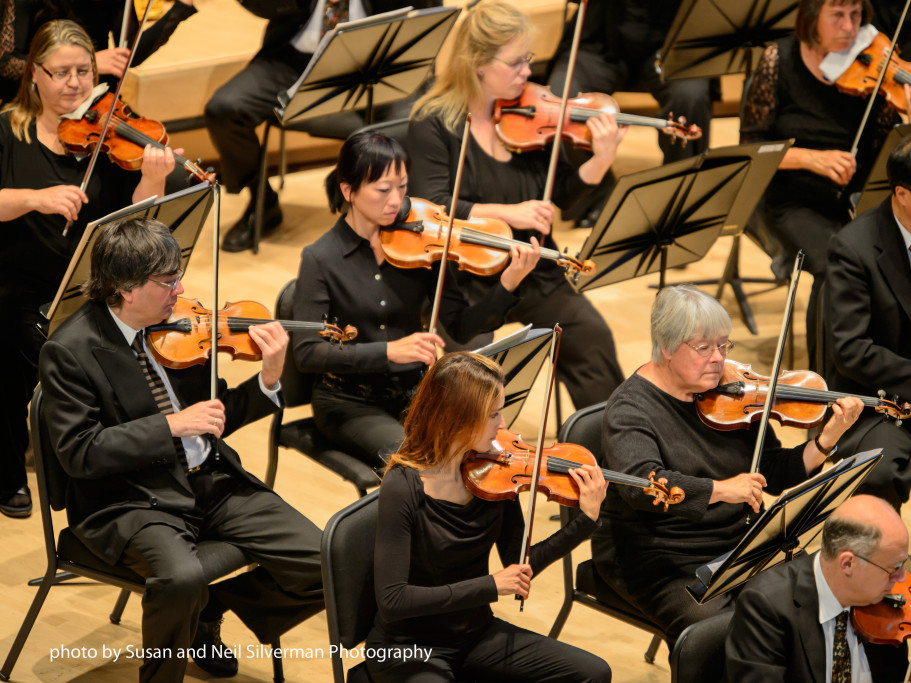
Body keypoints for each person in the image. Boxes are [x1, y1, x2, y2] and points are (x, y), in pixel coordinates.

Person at [38, 217, 325, 681]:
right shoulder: (70, 350)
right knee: (181, 578)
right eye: (169, 280)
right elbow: (80, 452)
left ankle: (209, 612)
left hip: (209, 480)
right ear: (126, 288)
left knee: (325, 558)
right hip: (128, 499)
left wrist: (269, 378)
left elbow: (216, 415)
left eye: (179, 275)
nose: (181, 288)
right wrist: (169, 425)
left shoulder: (181, 325)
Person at [591, 284, 863, 647]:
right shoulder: (631, 408)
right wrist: (722, 489)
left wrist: (826, 439)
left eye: (723, 345)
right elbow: (642, 485)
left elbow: (774, 471)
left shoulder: (733, 392)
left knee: (817, 602)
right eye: (704, 348)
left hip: (740, 544)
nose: (718, 359)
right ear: (667, 347)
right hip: (661, 560)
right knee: (726, 636)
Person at [407, 0, 626, 413]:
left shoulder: (532, 113)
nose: (528, 72)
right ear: (478, 64)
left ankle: (611, 458)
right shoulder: (434, 123)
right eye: (515, 63)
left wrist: (599, 160)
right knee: (471, 381)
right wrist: (508, 214)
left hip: (534, 272)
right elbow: (432, 208)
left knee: (592, 339)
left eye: (528, 59)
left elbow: (562, 195)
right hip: (466, 281)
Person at [0, 19, 178, 518]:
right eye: (61, 72)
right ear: (34, 74)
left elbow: (137, 221)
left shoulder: (108, 134)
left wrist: (153, 181)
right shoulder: (6, 130)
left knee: (134, 352)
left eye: (84, 69)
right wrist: (35, 198)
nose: (76, 82)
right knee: (17, 346)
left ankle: (126, 468)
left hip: (94, 290)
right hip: (17, 287)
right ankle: (10, 469)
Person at [292, 130, 539, 469]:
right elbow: (307, 353)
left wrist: (507, 284)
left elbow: (460, 327)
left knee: (481, 451)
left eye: (403, 187)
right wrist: (389, 351)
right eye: (383, 190)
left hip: (416, 395)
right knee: (418, 464)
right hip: (350, 403)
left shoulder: (422, 244)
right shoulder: (320, 258)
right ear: (348, 190)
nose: (396, 200)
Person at [367, 351, 612, 682]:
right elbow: (393, 600)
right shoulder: (403, 485)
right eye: (493, 414)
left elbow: (519, 561)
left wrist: (586, 520)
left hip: (475, 635)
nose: (504, 425)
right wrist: (491, 585)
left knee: (593, 674)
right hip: (408, 647)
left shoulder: (493, 474)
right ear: (457, 417)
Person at [205, 0, 441, 253]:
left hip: (381, 61)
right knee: (225, 108)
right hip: (293, 61)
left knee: (410, 122)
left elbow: (430, 10)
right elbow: (263, 6)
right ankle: (262, 201)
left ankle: (393, 218)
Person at [740, 0, 900, 369]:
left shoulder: (872, 62)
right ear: (813, 16)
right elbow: (750, 149)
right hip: (792, 198)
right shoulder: (777, 59)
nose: (849, 26)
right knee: (837, 265)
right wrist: (813, 158)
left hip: (857, 199)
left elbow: (884, 141)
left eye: (856, 15)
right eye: (837, 15)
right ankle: (825, 388)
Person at [547, 0, 712, 226]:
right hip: (601, 38)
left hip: (670, 41)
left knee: (690, 96)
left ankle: (678, 204)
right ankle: (597, 196)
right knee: (561, 100)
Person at [725, 494, 909, 682]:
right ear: (847, 564)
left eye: (904, 562)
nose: (902, 577)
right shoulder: (765, 608)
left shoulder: (884, 604)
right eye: (894, 568)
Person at [824, 135, 911, 511]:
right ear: (903, 194)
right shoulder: (853, 248)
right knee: (877, 474)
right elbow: (851, 350)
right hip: (879, 400)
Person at [0, 0, 197, 100]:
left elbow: (128, 55)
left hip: (92, 98)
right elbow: (6, 64)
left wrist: (180, 8)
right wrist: (86, 63)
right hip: (38, 97)